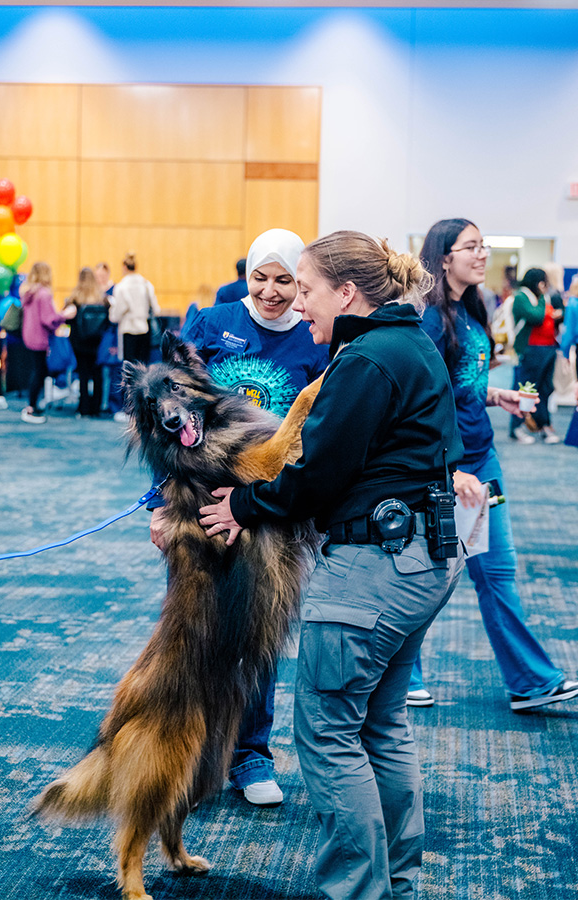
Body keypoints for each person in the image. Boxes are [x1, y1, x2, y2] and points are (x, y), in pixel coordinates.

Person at [199, 230, 465, 900]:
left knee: (327, 733)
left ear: (346, 293)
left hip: (372, 571)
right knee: (381, 725)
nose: (298, 305)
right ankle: (395, 885)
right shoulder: (411, 345)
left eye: (307, 290)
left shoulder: (366, 359)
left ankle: (357, 891)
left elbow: (316, 478)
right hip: (421, 561)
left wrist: (247, 504)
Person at [150, 228, 328, 807]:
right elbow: (167, 420)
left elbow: (320, 428)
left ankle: (250, 756)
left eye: (284, 279)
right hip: (198, 503)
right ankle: (193, 757)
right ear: (246, 275)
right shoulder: (212, 322)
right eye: (261, 277)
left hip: (269, 512)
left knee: (258, 637)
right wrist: (160, 506)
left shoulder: (313, 337)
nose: (272, 291)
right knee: (192, 633)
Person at [408, 218, 578, 712]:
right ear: (443, 257)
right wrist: (448, 468)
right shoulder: (428, 320)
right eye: (471, 247)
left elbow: (458, 386)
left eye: (483, 246)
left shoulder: (472, 310)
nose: (483, 255)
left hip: (482, 457)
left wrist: (493, 394)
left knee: (496, 570)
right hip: (446, 468)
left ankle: (530, 681)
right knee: (427, 574)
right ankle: (403, 675)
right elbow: (420, 400)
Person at [509, 267, 563, 444]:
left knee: (545, 389)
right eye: (542, 282)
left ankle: (543, 425)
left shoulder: (541, 298)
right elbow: (537, 316)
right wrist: (545, 306)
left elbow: (557, 313)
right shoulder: (521, 297)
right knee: (526, 389)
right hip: (531, 350)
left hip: (548, 348)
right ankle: (516, 427)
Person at [108, 251, 160, 422]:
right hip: (144, 330)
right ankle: (143, 408)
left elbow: (116, 315)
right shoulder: (146, 284)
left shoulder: (121, 287)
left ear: (124, 267)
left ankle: (128, 409)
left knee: (128, 372)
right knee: (143, 370)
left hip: (128, 331)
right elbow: (156, 309)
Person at [20, 261, 71, 424]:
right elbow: (48, 319)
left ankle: (33, 404)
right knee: (40, 372)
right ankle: (31, 407)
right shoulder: (44, 294)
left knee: (38, 370)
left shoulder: (30, 293)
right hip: (40, 338)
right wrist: (65, 315)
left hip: (29, 336)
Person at [63, 267, 109, 418]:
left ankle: (84, 408)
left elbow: (66, 319)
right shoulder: (102, 298)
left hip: (79, 343)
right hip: (97, 343)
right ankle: (96, 408)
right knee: (97, 375)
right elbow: (109, 320)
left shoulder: (75, 298)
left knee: (83, 374)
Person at [94, 262, 122, 417]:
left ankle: (113, 405)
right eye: (97, 276)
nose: (100, 278)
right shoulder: (94, 291)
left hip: (111, 335)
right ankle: (99, 404)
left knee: (113, 371)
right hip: (96, 335)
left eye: (102, 275)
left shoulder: (115, 290)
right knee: (99, 371)